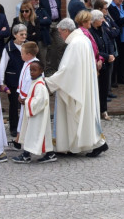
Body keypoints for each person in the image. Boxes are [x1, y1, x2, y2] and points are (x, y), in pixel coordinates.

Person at [43, 19, 107, 159]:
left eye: (60, 33)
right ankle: (73, 145)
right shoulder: (80, 40)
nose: (60, 36)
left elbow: (67, 70)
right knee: (81, 115)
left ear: (66, 30)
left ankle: (98, 143)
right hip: (81, 83)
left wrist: (48, 82)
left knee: (78, 115)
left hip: (77, 86)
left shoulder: (76, 43)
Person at [12, 60, 54, 163]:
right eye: (30, 70)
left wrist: (26, 101)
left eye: (34, 70)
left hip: (37, 115)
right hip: (36, 114)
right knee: (39, 133)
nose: (31, 72)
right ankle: (50, 153)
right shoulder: (35, 82)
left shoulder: (40, 85)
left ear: (41, 71)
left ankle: (26, 155)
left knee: (32, 133)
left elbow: (39, 101)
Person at [0, 23, 28, 141]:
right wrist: (2, 82)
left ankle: (26, 125)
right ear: (15, 35)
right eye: (21, 34)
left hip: (26, 80)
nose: (24, 36)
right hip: (13, 79)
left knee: (26, 103)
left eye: (25, 34)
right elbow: (2, 65)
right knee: (14, 104)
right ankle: (14, 127)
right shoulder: (9, 47)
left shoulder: (28, 45)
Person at [89, 9, 115, 120]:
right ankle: (95, 111)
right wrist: (106, 56)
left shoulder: (103, 29)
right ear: (95, 20)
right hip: (98, 63)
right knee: (96, 88)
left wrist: (111, 54)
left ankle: (104, 110)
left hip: (106, 63)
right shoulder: (90, 32)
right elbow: (95, 49)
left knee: (104, 88)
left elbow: (108, 42)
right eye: (101, 18)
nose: (103, 20)